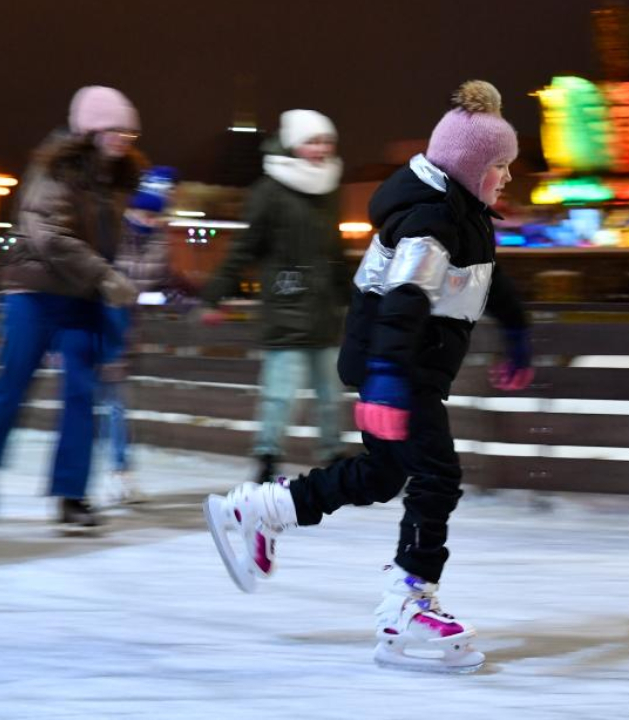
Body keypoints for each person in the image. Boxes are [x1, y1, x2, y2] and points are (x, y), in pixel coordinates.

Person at [204, 80, 533, 673]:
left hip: (409, 363)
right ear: (469, 166)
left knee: (384, 475)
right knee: (438, 477)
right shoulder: (430, 222)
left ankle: (268, 507)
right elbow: (403, 297)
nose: (507, 177)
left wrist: (517, 330)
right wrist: (384, 378)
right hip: (399, 363)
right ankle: (409, 599)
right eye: (500, 167)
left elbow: (491, 279)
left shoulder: (466, 213)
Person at [0, 86, 143, 527]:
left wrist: (109, 280)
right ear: (89, 130)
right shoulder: (54, 169)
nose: (123, 140)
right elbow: (49, 236)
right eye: (113, 131)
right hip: (33, 290)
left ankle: (71, 496)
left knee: (82, 391)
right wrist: (105, 276)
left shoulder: (119, 179)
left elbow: (105, 241)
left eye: (128, 132)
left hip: (82, 295)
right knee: (14, 383)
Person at [200, 110, 349, 484]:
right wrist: (213, 295)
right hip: (285, 307)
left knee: (330, 391)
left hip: (322, 311)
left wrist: (351, 296)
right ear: (294, 144)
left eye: (326, 142)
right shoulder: (269, 191)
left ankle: (333, 451)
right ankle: (267, 454)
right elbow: (244, 248)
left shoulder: (330, 189)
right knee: (281, 393)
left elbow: (336, 252)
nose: (321, 149)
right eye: (312, 141)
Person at [97, 165, 179, 503]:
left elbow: (160, 282)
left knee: (115, 404)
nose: (149, 219)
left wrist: (182, 297)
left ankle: (119, 473)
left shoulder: (158, 241)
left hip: (126, 331)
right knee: (109, 404)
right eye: (144, 212)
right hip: (98, 325)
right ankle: (114, 472)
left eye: (155, 215)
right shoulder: (112, 234)